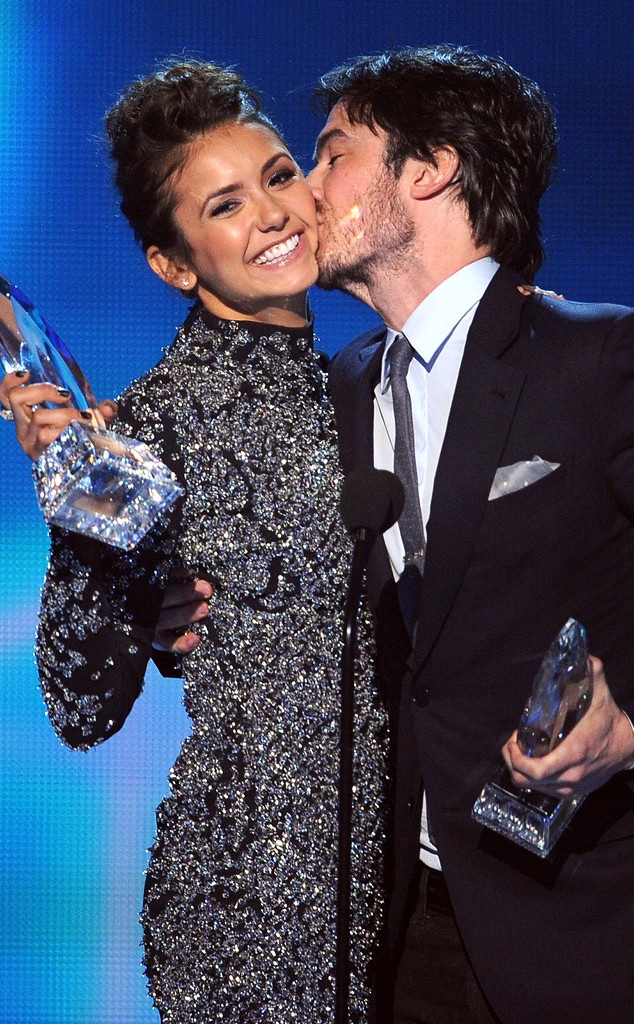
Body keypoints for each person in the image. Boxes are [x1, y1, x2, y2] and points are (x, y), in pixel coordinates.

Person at [0, 61, 389, 1023]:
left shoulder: (375, 381)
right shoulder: (142, 431)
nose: (272, 213)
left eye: (279, 174)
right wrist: (96, 530)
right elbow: (79, 707)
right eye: (224, 205)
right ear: (174, 263)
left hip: (398, 890)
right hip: (247, 912)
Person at [302, 45, 634, 1024]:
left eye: (330, 155)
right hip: (405, 932)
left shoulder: (599, 357)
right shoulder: (344, 384)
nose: (303, 191)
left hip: (584, 928)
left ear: (430, 167)